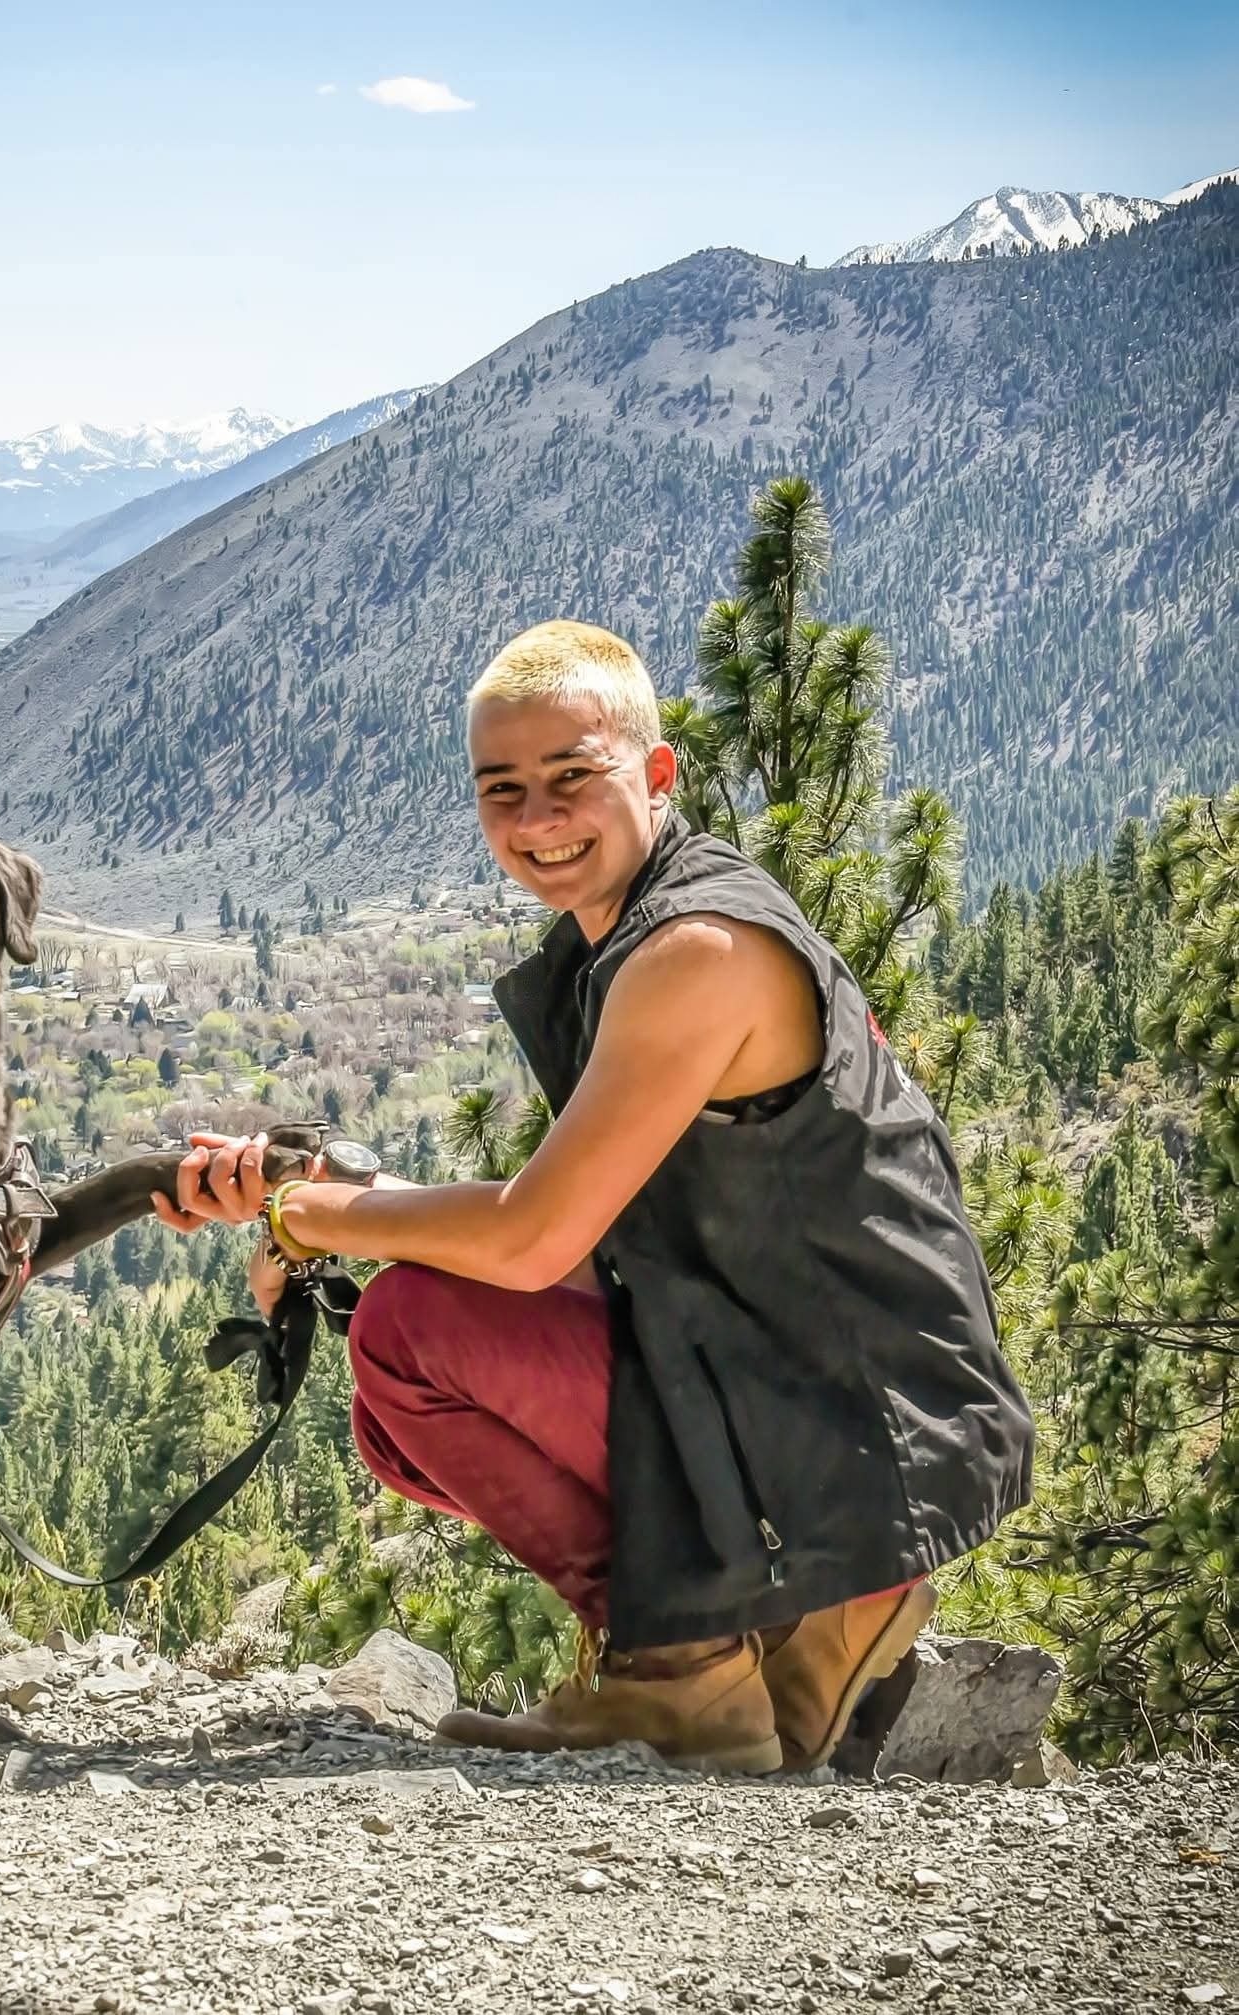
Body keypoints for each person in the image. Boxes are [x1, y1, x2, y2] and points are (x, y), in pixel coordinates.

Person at [152, 619, 1033, 1774]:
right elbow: (583, 1235)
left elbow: (531, 1240)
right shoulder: (648, 927)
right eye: (501, 789)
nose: (534, 819)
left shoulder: (692, 951)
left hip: (857, 1429)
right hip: (833, 1397)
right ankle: (773, 1626)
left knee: (408, 1333)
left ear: (655, 772)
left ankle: (684, 1664)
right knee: (394, 1405)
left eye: (571, 775)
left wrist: (308, 1219)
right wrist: (327, 1194)